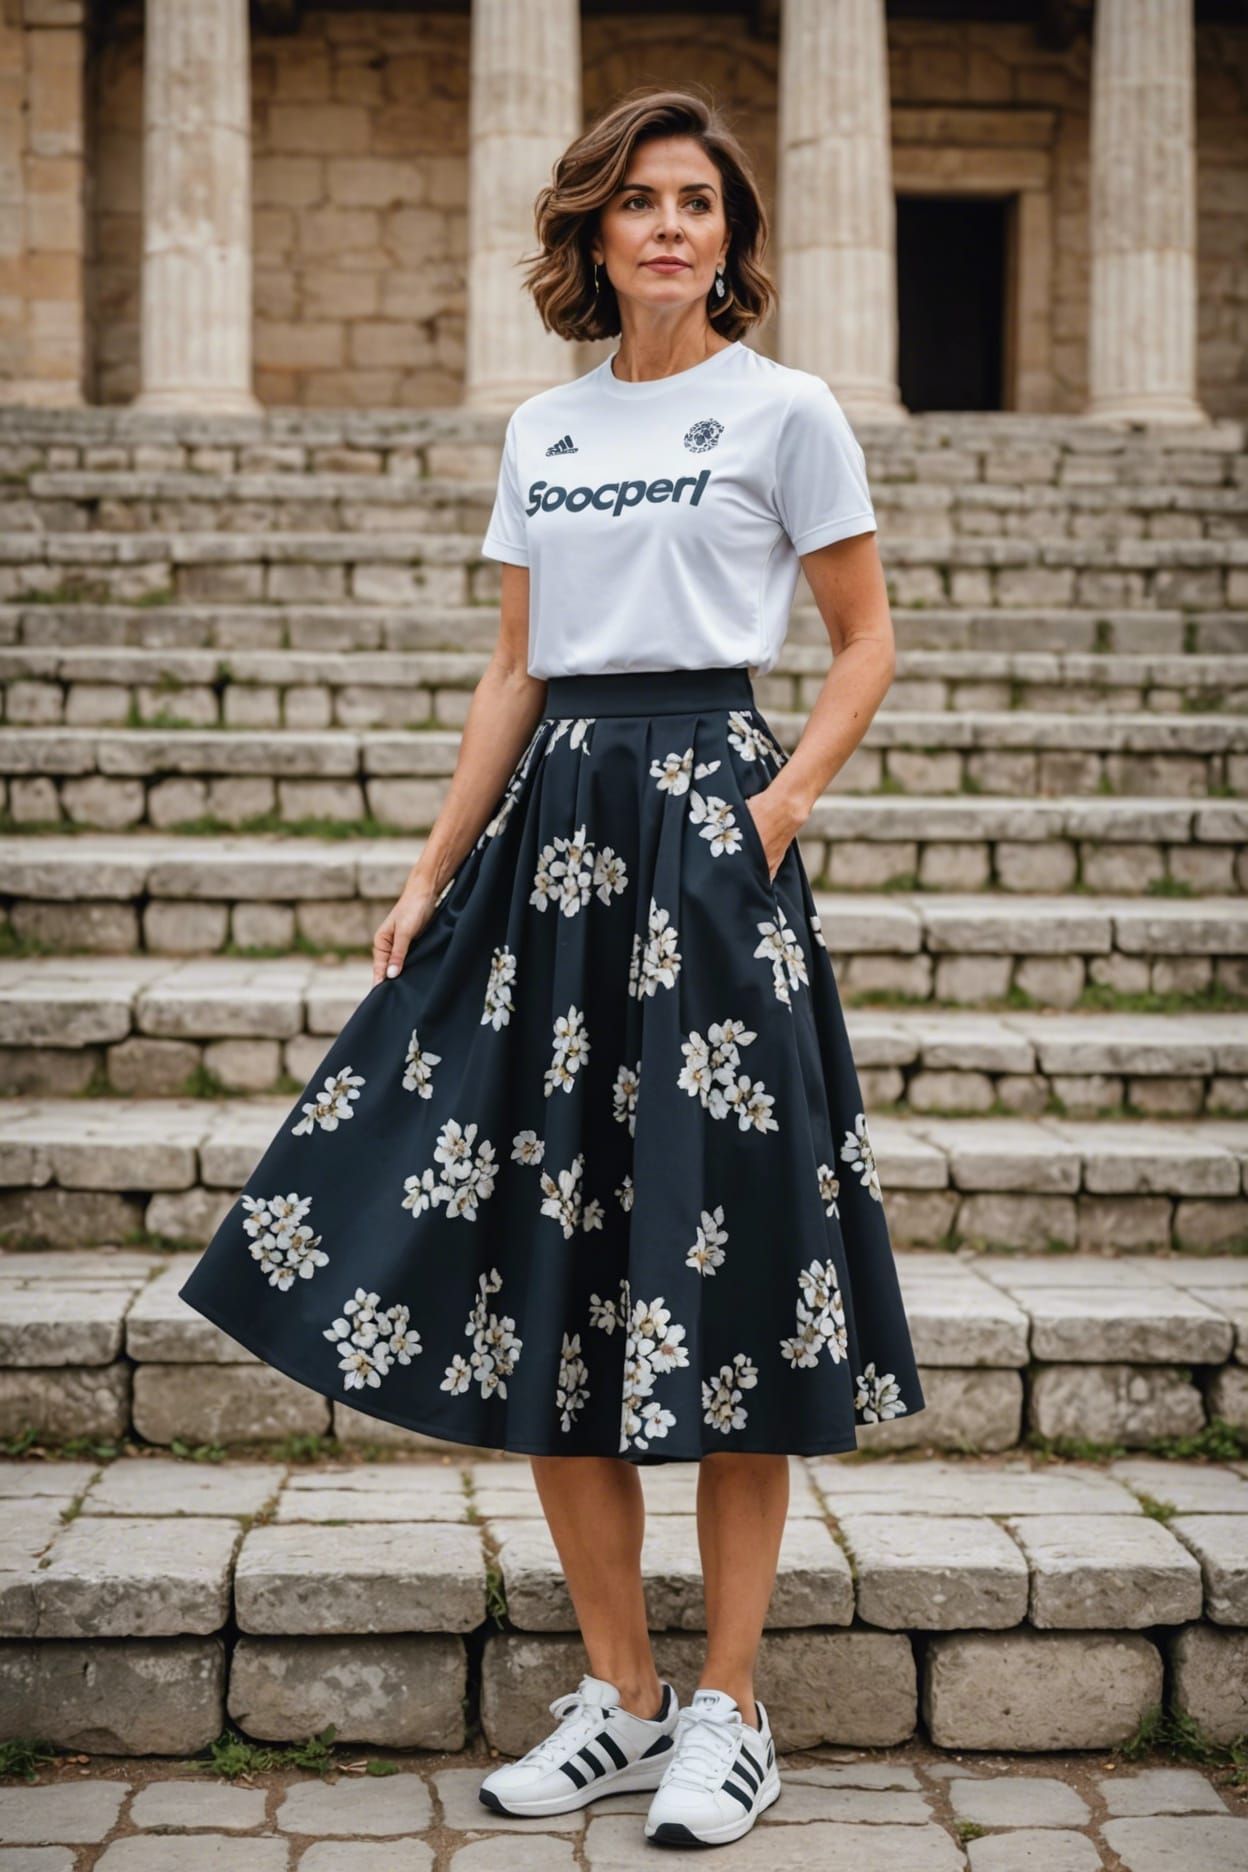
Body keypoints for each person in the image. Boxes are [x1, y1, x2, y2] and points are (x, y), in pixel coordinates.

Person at [178, 83, 925, 1852]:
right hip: (555, 849)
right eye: (641, 202)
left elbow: (867, 636)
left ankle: (731, 1707)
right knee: (546, 1260)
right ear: (595, 233)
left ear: (733, 235)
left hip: (712, 841)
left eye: (701, 202)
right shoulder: (547, 430)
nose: (673, 226)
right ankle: (621, 1693)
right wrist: (433, 865)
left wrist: (781, 809)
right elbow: (515, 670)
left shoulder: (790, 409)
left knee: (733, 1266)